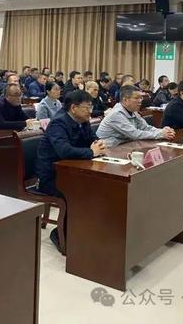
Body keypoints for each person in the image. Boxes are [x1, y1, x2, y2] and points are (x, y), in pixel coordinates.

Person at [36, 90, 108, 251]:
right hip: (51, 176)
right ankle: (60, 235)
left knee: (99, 188)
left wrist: (99, 144)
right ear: (74, 108)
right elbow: (64, 151)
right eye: (87, 107)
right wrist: (91, 152)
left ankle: (86, 230)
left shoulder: (83, 121)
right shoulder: (58, 123)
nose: (90, 111)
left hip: (71, 172)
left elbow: (92, 139)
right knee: (77, 193)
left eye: (91, 107)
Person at [97, 85, 175, 147]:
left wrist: (162, 131)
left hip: (124, 145)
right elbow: (135, 134)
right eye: (136, 98)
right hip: (109, 148)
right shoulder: (116, 114)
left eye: (141, 98)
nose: (140, 101)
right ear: (125, 100)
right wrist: (160, 134)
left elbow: (146, 128)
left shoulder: (133, 111)